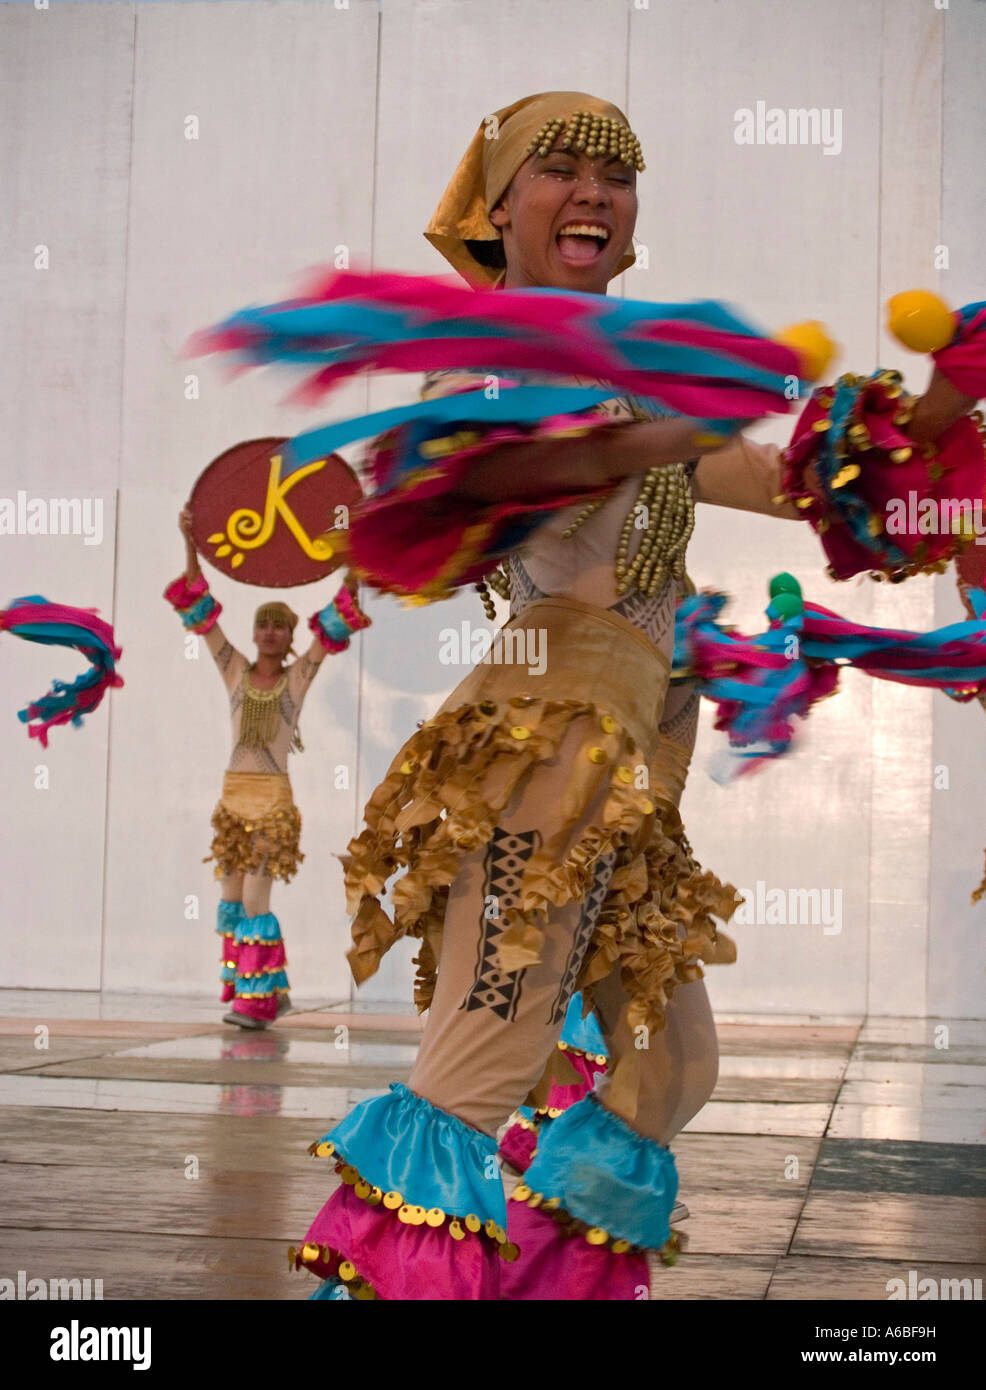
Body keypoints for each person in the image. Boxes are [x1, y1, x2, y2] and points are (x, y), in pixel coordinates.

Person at [291, 91, 981, 1299]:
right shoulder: (494, 358)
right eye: (556, 171)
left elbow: (788, 484)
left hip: (626, 788)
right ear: (497, 210)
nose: (593, 193)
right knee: (476, 1068)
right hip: (540, 751)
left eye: (614, 174)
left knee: (667, 1070)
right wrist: (635, 436)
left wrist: (923, 438)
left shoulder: (628, 380)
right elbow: (488, 473)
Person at [166, 505, 370, 1029]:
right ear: (255, 633)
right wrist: (191, 541)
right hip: (232, 800)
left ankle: (256, 1006)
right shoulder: (232, 667)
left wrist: (355, 553)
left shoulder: (298, 676)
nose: (272, 633)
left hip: (272, 804)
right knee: (233, 901)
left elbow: (342, 609)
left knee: (256, 900)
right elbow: (201, 610)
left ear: (289, 635)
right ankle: (266, 992)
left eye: (280, 626)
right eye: (265, 625)